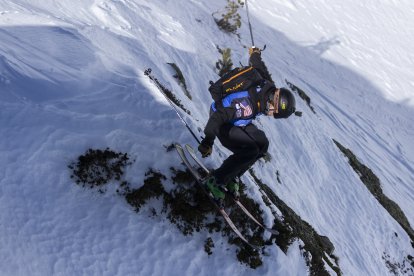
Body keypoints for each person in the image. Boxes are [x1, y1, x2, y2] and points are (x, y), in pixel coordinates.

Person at [198, 46, 296, 205]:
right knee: (250, 150)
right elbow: (217, 117)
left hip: (238, 121)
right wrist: (207, 142)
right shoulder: (246, 104)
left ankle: (232, 176)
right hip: (222, 124)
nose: (271, 114)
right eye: (274, 112)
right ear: (273, 103)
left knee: (263, 144)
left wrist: (254, 53)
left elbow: (258, 66)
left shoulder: (267, 85)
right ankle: (215, 180)